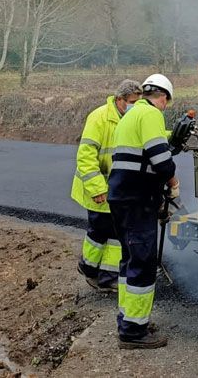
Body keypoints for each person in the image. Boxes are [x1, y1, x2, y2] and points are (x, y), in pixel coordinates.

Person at [107, 73, 179, 349]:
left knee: (128, 260)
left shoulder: (131, 115)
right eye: (166, 103)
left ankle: (129, 319)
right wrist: (173, 182)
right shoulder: (150, 115)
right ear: (162, 97)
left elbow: (141, 153)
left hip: (122, 197)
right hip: (137, 200)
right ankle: (134, 332)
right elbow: (161, 159)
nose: (164, 107)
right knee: (143, 262)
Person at [71, 79, 142, 291]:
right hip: (98, 189)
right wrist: (97, 188)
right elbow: (86, 156)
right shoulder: (99, 118)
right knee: (100, 231)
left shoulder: (131, 118)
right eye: (131, 102)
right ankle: (93, 270)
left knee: (111, 232)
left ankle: (98, 271)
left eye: (138, 102)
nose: (134, 106)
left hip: (115, 188)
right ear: (119, 100)